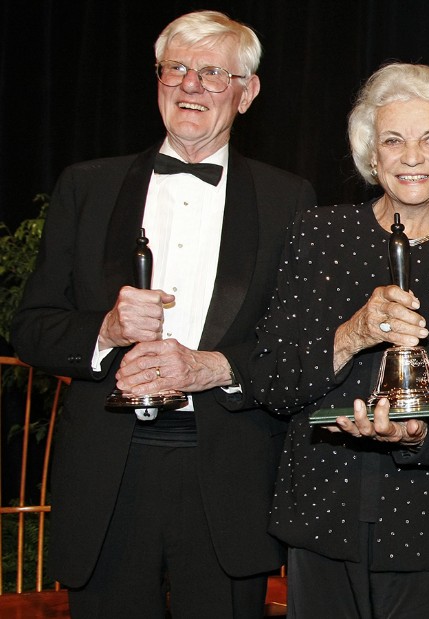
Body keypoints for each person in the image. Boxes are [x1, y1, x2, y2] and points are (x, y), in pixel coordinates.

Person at [11, 10, 316, 618]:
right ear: (157, 79)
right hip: (106, 478)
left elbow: (295, 350)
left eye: (212, 72)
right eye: (175, 68)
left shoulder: (291, 200)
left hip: (227, 481)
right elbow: (32, 327)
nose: (190, 85)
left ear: (247, 92)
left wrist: (208, 367)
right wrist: (103, 330)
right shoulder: (86, 186)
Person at [250, 62, 429, 618]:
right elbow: (270, 378)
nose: (413, 156)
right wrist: (353, 334)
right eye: (393, 140)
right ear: (372, 157)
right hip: (324, 519)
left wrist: (419, 431)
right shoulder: (316, 235)